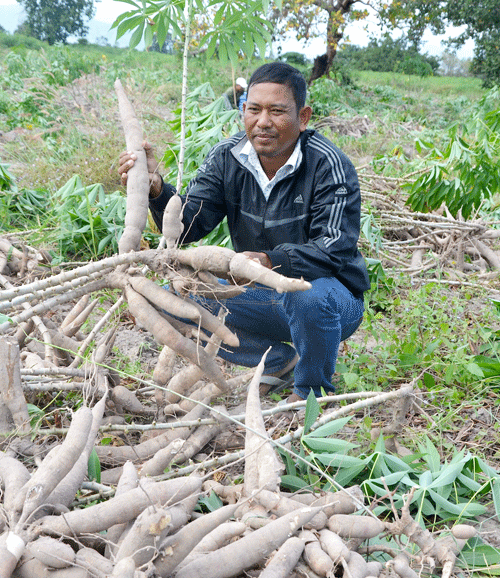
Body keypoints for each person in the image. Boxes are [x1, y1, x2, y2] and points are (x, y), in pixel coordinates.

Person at [118, 62, 369, 404]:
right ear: (243, 110)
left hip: (331, 297)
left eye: (277, 111)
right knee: (162, 299)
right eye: (253, 109)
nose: (263, 121)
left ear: (304, 116)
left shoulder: (329, 165)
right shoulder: (228, 158)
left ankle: (311, 390)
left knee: (305, 296)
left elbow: (334, 248)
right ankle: (276, 360)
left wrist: (268, 260)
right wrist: (155, 188)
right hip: (257, 293)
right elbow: (190, 222)